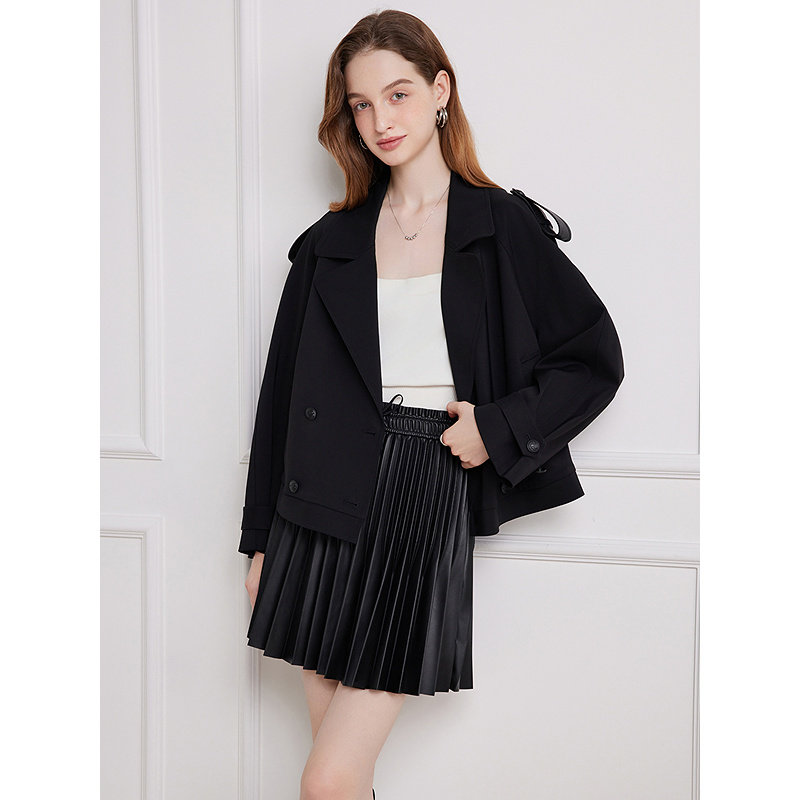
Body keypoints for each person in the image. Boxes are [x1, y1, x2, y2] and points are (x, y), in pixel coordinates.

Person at [240, 10, 624, 800]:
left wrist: (499, 428)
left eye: (399, 94)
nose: (380, 120)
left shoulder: (501, 224)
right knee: (342, 781)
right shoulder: (330, 241)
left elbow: (594, 358)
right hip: (316, 501)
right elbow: (280, 397)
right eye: (361, 104)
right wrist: (259, 540)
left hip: (422, 484)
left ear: (440, 90)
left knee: (325, 781)